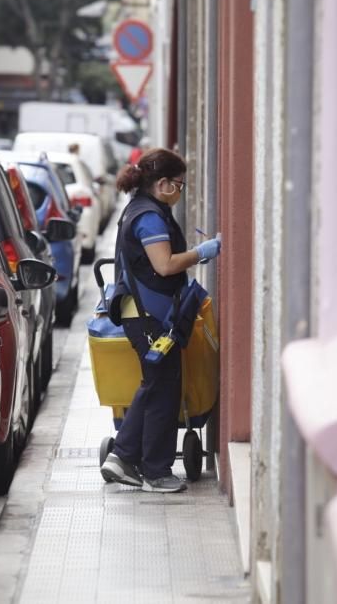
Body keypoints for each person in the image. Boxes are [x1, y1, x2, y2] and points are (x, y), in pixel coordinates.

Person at [99, 148, 222, 493]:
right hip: (148, 316)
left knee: (158, 385)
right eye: (180, 184)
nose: (181, 191)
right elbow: (164, 265)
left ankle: (124, 457)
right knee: (162, 388)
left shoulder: (144, 210)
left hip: (146, 314)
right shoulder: (149, 218)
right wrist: (203, 251)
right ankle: (152, 470)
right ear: (164, 183)